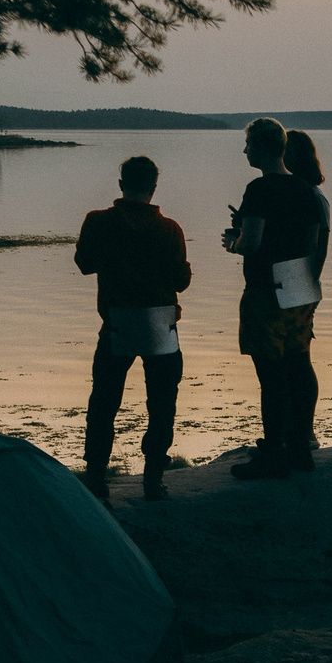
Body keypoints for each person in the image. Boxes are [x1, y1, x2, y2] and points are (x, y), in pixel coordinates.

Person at [72, 154, 191, 500]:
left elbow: (83, 264)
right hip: (160, 323)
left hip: (117, 321)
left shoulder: (98, 221)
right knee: (162, 402)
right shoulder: (170, 228)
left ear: (121, 184)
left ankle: (96, 477)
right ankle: (153, 479)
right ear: (154, 188)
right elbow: (181, 282)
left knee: (104, 403)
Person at [225, 118, 327, 478]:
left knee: (270, 373)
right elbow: (312, 244)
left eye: (248, 143)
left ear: (264, 147)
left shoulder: (258, 189)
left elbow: (251, 243)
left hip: (266, 287)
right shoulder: (305, 190)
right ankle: (299, 448)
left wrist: (233, 243)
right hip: (300, 281)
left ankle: (273, 453)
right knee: (298, 365)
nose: (245, 150)